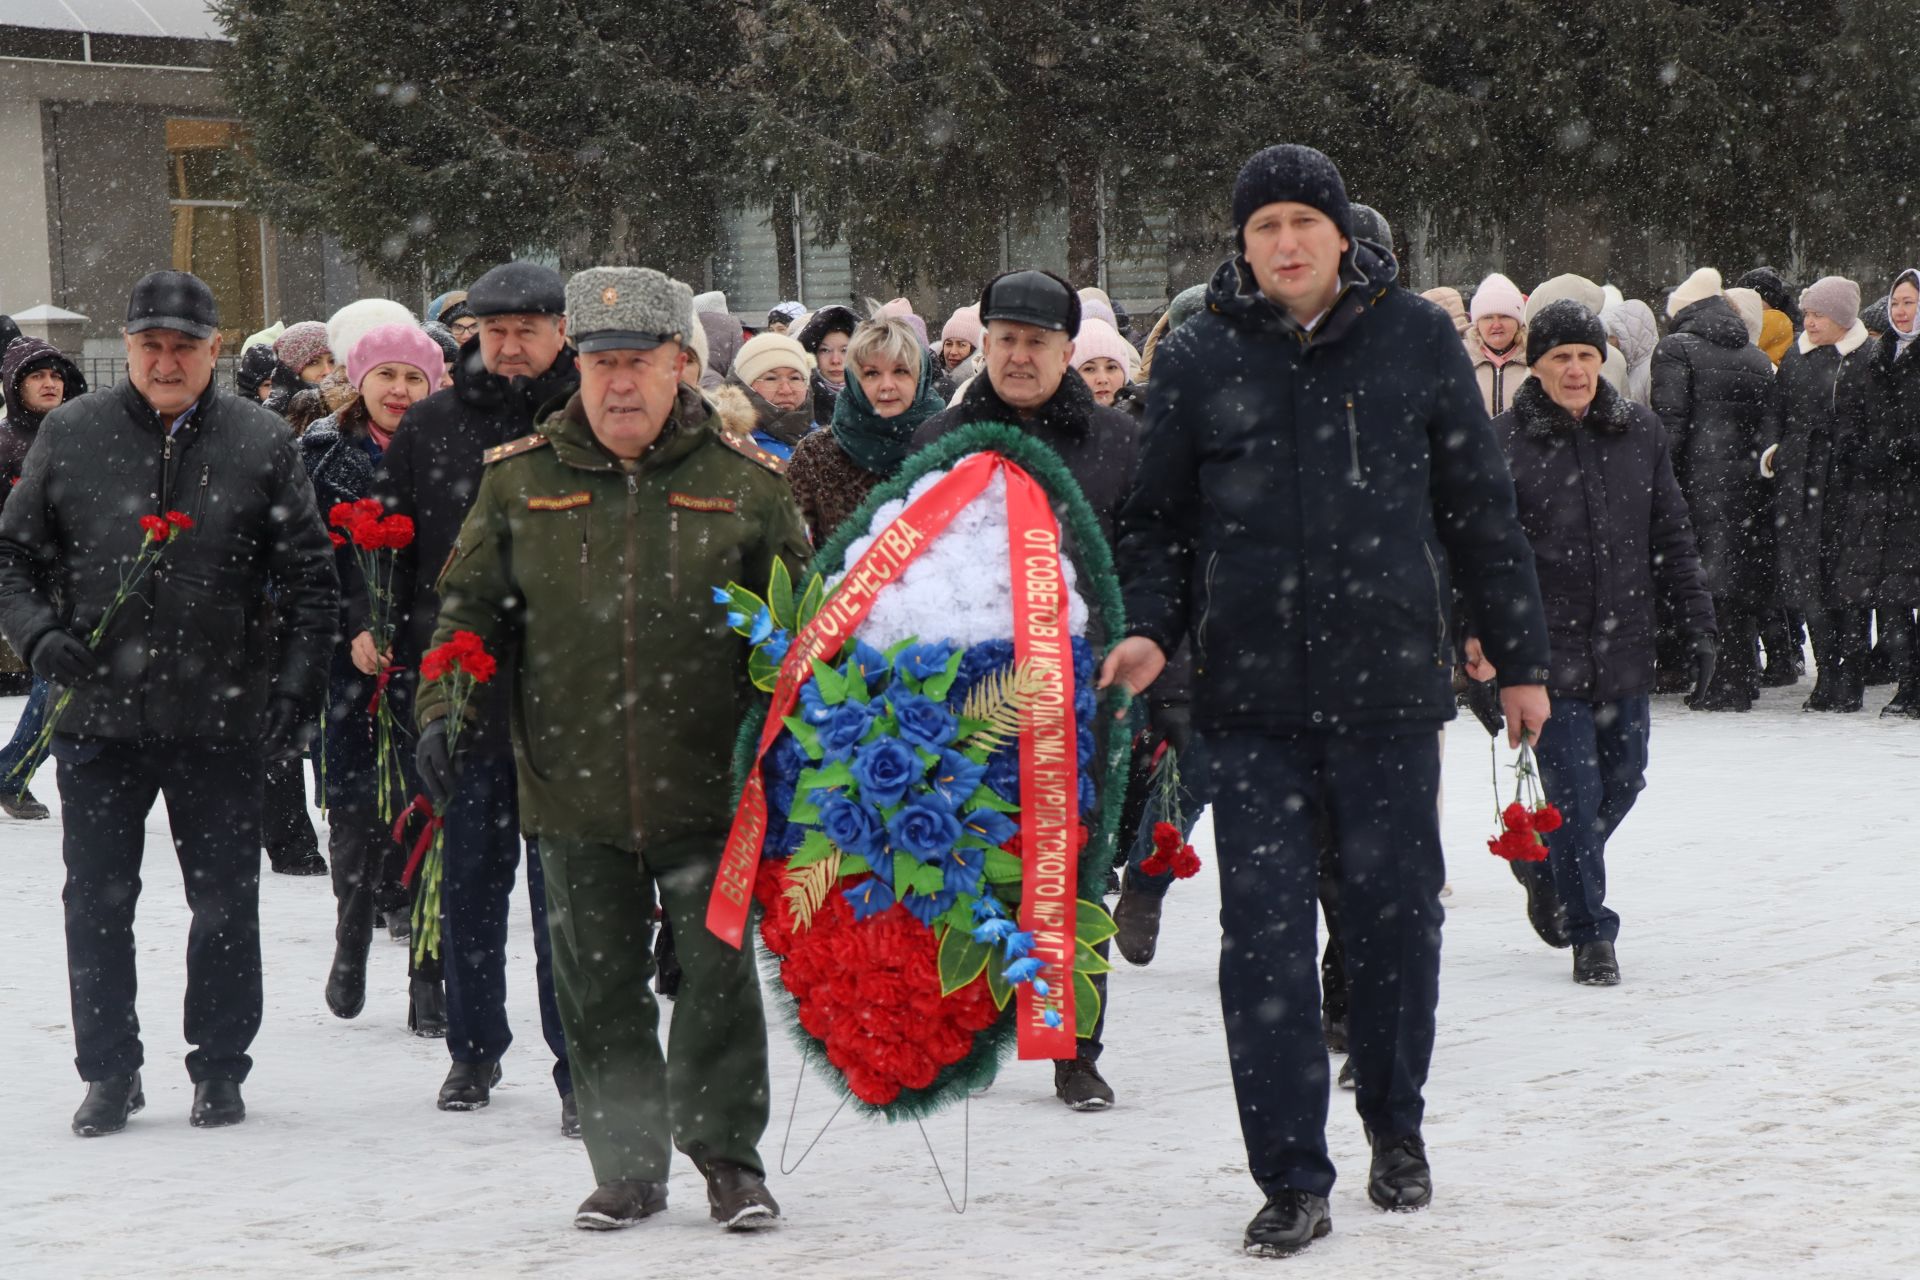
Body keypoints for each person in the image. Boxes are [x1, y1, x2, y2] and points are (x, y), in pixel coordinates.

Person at [1104, 144, 1551, 1257]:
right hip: (1248, 701)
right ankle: (1291, 1173)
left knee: (1396, 921)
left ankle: (1394, 1125)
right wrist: (1153, 626)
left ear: (1342, 237)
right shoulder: (1202, 354)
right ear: (1243, 244)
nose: (1288, 243)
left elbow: (1479, 508)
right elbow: (1157, 518)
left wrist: (1523, 654)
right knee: (1261, 942)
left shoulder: (1413, 342)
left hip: (1390, 693)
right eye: (1266, 227)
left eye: (1306, 222)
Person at [420, 266, 808, 1232]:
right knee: (597, 985)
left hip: (709, 786)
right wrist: (447, 707)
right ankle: (628, 1167)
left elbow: (802, 637)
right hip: (571, 785)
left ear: (682, 365)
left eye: (637, 363)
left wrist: (803, 743)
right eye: (600, 365)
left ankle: (729, 1161)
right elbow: (467, 613)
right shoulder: (521, 482)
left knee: (716, 985)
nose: (618, 385)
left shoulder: (744, 485)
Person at [0, 270, 336, 1136]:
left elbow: (309, 580)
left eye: (184, 346)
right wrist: (39, 636)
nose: (164, 360)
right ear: (130, 348)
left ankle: (220, 1066)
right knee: (97, 901)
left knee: (224, 900)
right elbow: (13, 559)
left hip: (220, 716)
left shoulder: (261, 440)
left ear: (215, 350)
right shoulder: (70, 435)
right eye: (149, 345)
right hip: (99, 720)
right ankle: (109, 1071)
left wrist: (293, 689)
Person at [914, 268, 1142, 1111]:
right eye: (1004, 339)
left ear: (1065, 351)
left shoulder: (1117, 444)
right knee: (959, 860)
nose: (1017, 356)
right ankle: (960, 1033)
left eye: (1036, 343)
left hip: (1081, 698)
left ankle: (1074, 1046)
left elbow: (1149, 564)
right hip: (964, 697)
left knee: (1076, 874)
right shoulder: (939, 438)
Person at [375, 261, 578, 1122]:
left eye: (528, 328)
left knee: (565, 898)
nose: (511, 345)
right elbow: (400, 555)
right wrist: (405, 665)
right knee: (469, 886)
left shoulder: (588, 416)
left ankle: (580, 1064)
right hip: (464, 685)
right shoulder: (433, 424)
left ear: (561, 331)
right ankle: (472, 1051)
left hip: (573, 693)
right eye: (496, 331)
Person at [1487, 300, 1714, 985]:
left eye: (1587, 355)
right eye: (1561, 357)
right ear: (1538, 367)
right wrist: (1478, 636)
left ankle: (1544, 865)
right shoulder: (1504, 441)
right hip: (1543, 650)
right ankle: (1591, 933)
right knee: (1578, 795)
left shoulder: (1639, 431)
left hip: (1624, 644)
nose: (1577, 369)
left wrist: (1700, 623)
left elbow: (1672, 533)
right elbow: (1482, 552)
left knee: (1625, 777)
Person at [304, 324, 444, 1023]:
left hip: (431, 667)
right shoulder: (322, 457)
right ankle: (352, 936)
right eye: (386, 375)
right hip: (349, 671)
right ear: (361, 383)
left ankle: (428, 970)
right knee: (357, 818)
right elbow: (305, 562)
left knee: (431, 814)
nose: (399, 390)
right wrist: (352, 626)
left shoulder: (452, 453)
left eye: (414, 377)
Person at [1652, 267, 1777, 710]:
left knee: (1701, 582)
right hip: (1746, 487)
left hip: (1696, 482)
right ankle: (1741, 677)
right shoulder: (1757, 357)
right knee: (1735, 583)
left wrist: (1660, 482)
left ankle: (1717, 682)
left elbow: (1670, 423)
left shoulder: (1676, 349)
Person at [1759, 277, 1875, 712]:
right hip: (1800, 487)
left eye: (1818, 315)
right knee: (1811, 585)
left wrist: (1853, 455)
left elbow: (1877, 422)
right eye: (1806, 313)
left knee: (1848, 588)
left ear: (1842, 318)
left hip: (1849, 489)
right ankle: (1826, 675)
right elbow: (1776, 410)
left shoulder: (1868, 358)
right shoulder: (1797, 356)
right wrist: (1775, 451)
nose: (1808, 322)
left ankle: (1850, 680)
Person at [0, 336, 87, 821]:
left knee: (59, 680)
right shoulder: (7, 442)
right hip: (31, 582)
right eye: (37, 376)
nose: (49, 383)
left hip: (79, 575)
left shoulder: (78, 432)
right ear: (16, 386)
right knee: (57, 678)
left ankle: (13, 769)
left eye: (55, 375)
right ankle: (12, 769)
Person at [785, 316, 947, 545]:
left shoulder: (949, 447)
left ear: (920, 377)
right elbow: (791, 551)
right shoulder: (816, 455)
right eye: (872, 373)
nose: (887, 385)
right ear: (853, 378)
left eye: (901, 371)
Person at [1858, 269, 1920, 717]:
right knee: (1890, 596)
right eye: (1896, 302)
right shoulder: (1878, 355)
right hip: (1884, 496)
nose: (1900, 310)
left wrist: (1903, 447)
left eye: (1910, 302)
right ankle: (1909, 685)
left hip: (1913, 488)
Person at [713, 331, 815, 461]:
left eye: (795, 378)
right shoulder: (731, 443)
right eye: (771, 378)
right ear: (746, 385)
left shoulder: (825, 439)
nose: (786, 390)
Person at [1466, 273, 1529, 417]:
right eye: (1488, 317)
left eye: (1504, 316)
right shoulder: (1459, 361)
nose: (1496, 325)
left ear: (1518, 322)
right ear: (1477, 324)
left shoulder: (1535, 360)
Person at [797, 305, 857, 426]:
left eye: (845, 350)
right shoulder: (798, 400)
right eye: (825, 350)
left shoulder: (876, 397)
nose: (835, 360)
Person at [1071, 316, 1141, 411]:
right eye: (1089, 369)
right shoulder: (1052, 421)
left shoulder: (1148, 418)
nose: (1103, 379)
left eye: (1111, 367)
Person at [1601, 298, 1659, 407]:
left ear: (1631, 335)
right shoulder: (1630, 368)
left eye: (1611, 337)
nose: (1608, 343)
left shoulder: (1651, 371)